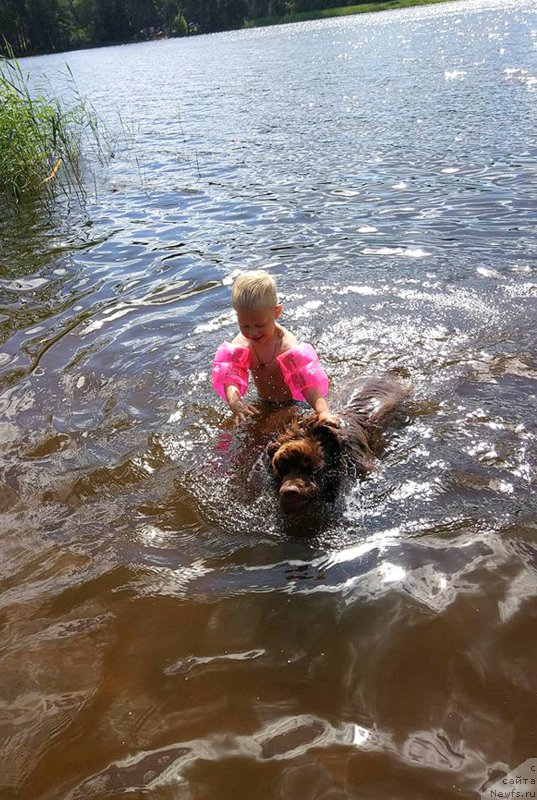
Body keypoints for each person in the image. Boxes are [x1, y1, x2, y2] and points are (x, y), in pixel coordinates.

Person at [212, 270, 340, 427]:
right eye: (244, 325)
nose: (252, 333)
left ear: (276, 312)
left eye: (260, 325)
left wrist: (323, 412)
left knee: (272, 427)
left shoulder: (287, 347)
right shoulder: (241, 343)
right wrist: (234, 401)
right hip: (265, 402)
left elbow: (309, 386)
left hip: (295, 404)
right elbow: (231, 376)